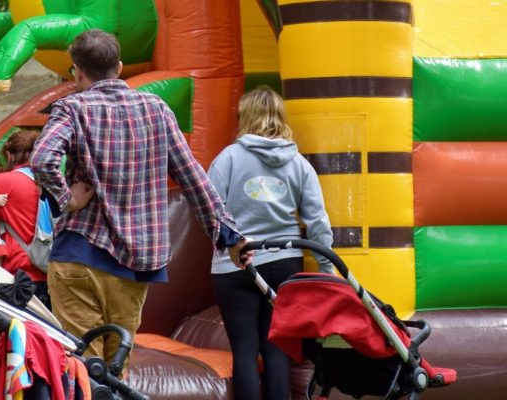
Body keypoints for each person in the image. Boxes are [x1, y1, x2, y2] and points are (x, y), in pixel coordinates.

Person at [30, 30, 249, 366]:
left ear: (77, 70)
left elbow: (43, 158)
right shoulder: (156, 109)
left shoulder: (72, 108)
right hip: (134, 264)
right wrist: (227, 235)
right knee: (116, 368)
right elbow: (193, 178)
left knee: (81, 369)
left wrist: (65, 198)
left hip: (79, 253)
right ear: (118, 67)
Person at [207, 85, 335, 400]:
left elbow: (209, 211)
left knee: (245, 352)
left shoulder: (228, 159)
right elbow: (317, 221)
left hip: (236, 264)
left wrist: (228, 242)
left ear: (245, 117)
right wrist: (326, 268)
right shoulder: (299, 164)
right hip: (284, 263)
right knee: (277, 349)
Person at [0, 130, 86, 308]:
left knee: (13, 334)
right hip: (53, 277)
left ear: (9, 155)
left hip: (14, 278)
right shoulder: (56, 183)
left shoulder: (2, 182)